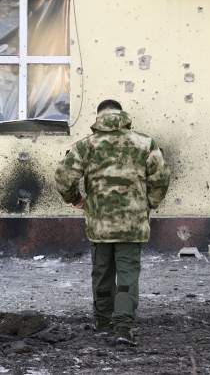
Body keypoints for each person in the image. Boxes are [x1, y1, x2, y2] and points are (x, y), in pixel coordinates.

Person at [55, 99, 170, 346]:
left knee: (102, 272)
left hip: (100, 225)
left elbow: (64, 177)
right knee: (128, 274)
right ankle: (123, 327)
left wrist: (76, 200)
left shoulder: (85, 145)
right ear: (122, 115)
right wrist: (149, 203)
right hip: (132, 224)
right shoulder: (145, 143)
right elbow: (161, 178)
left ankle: (103, 322)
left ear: (99, 117)